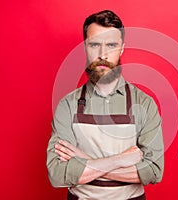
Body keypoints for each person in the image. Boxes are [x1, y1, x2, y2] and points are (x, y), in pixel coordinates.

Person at [46, 10, 164, 200]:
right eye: (94, 44)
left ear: (122, 48)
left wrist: (85, 161)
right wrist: (120, 161)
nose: (103, 54)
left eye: (111, 45)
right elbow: (57, 174)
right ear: (85, 47)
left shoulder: (145, 104)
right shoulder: (67, 106)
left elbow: (153, 171)